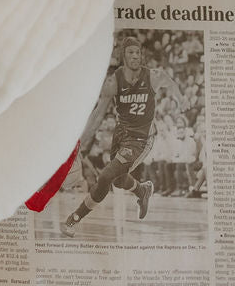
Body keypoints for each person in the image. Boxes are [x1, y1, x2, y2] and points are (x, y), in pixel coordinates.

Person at [62, 36, 183, 233]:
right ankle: (142, 190)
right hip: (121, 133)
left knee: (105, 177)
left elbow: (171, 83)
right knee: (118, 180)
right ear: (123, 57)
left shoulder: (153, 75)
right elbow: (98, 114)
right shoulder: (114, 81)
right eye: (130, 53)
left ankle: (75, 218)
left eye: (138, 52)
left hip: (142, 138)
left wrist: (181, 100)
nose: (135, 56)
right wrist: (80, 146)